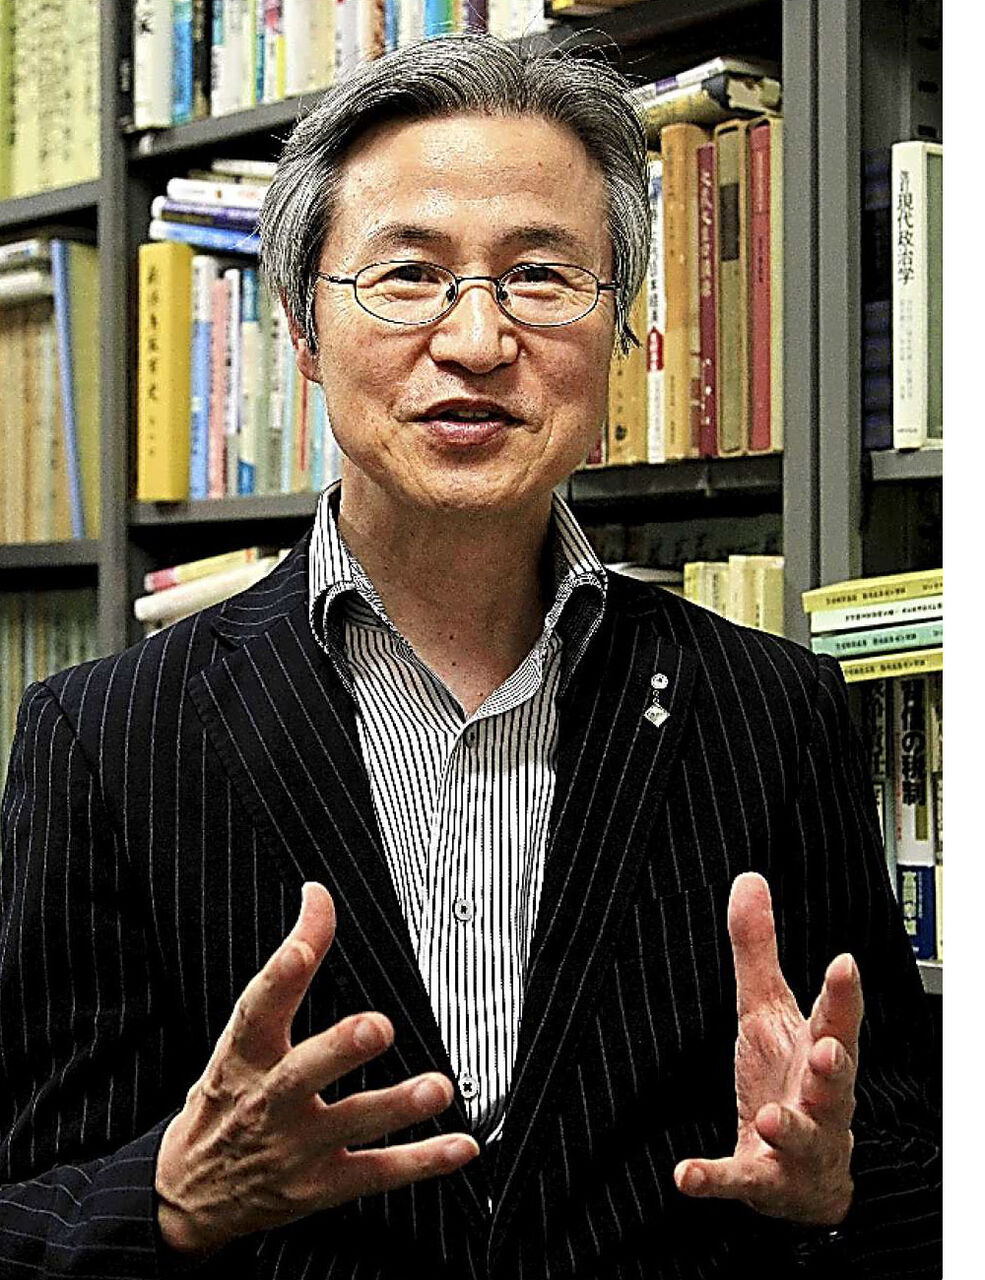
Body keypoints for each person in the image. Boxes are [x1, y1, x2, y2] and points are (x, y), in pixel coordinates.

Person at [0, 34, 940, 1280]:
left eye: (542, 276)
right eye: (408, 274)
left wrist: (835, 1188)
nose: (480, 338)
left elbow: (908, 1157)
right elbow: (27, 1206)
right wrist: (170, 1197)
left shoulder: (772, 709)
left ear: (620, 332)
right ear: (301, 331)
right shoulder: (107, 738)